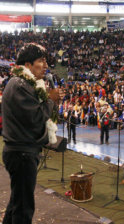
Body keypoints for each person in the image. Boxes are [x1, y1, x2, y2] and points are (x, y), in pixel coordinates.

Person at [1, 43, 60, 224]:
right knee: (23, 209)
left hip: (22, 151)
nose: (46, 65)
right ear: (27, 65)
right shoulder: (19, 84)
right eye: (41, 61)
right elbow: (35, 118)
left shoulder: (21, 83)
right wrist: (50, 100)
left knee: (17, 202)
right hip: (22, 153)